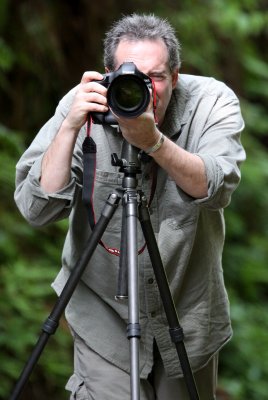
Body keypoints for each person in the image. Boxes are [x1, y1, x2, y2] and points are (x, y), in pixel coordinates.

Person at [14, 13, 246, 400]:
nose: (143, 88)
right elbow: (36, 209)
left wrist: (152, 141)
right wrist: (71, 125)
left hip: (187, 316)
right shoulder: (83, 106)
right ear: (108, 74)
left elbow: (216, 185)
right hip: (104, 318)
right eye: (131, 75)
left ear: (175, 76)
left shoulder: (211, 102)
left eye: (155, 77)